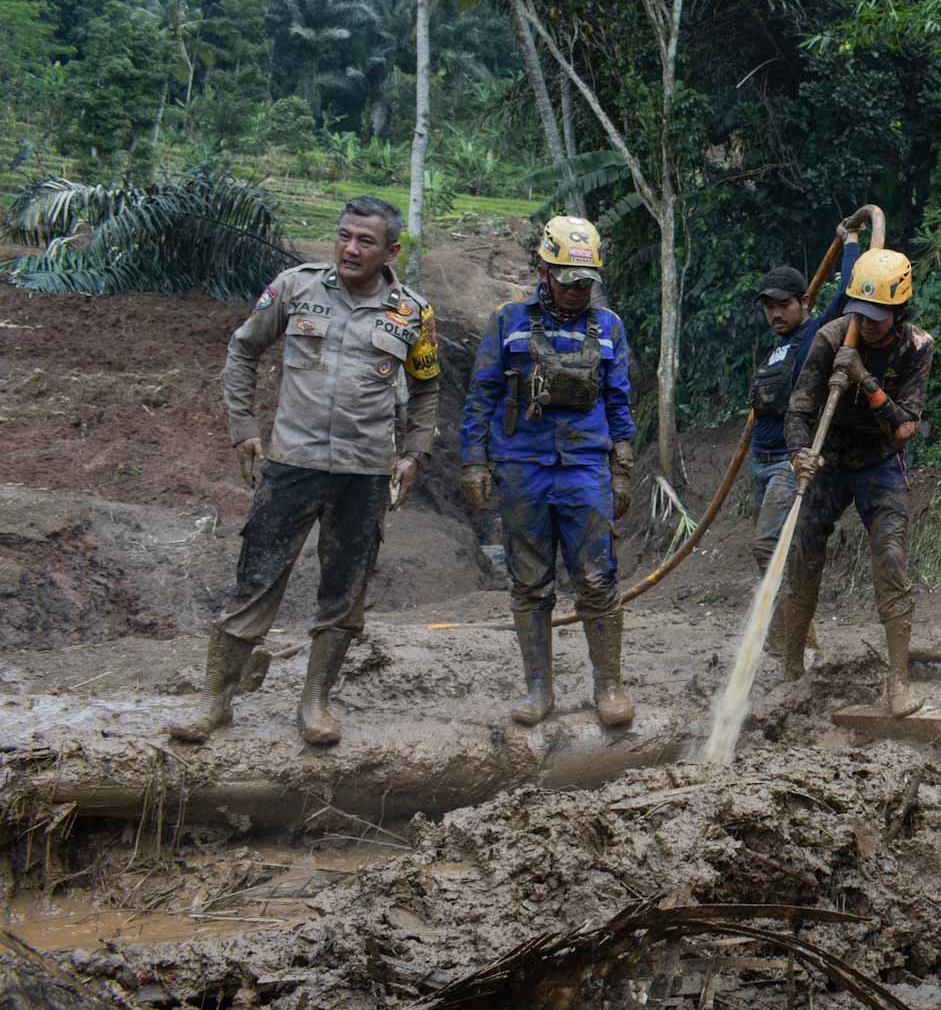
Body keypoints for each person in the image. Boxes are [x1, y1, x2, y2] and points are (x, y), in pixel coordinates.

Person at [169, 196, 441, 747]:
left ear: (391, 250)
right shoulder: (295, 287)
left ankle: (315, 703)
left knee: (344, 592)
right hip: (291, 465)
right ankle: (214, 702)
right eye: (343, 236)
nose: (350, 248)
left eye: (365, 241)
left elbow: (429, 386)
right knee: (255, 581)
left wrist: (415, 453)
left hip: (365, 474)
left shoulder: (413, 312)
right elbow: (243, 350)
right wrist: (244, 428)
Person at [458, 216, 637, 729]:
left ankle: (609, 686)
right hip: (523, 467)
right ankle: (540, 691)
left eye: (587, 282)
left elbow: (620, 401)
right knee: (531, 582)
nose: (579, 291)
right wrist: (475, 459)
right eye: (568, 280)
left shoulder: (610, 328)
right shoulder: (508, 320)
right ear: (543, 270)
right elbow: (482, 394)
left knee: (597, 578)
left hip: (584, 466)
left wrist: (622, 469)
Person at [764, 247, 932, 715]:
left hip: (880, 463)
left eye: (879, 317)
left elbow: (902, 427)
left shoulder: (916, 347)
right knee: (803, 556)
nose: (869, 323)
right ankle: (792, 673)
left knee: (892, 561)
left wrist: (864, 379)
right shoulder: (829, 337)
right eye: (862, 313)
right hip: (828, 460)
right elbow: (799, 408)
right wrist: (801, 452)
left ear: (899, 312)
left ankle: (899, 681)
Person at [746, 222, 857, 572]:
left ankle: (784, 626)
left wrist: (850, 241)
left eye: (783, 305)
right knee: (776, 556)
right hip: (758, 463)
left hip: (788, 461)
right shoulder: (774, 348)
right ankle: (797, 626)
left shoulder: (816, 335)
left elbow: (848, 292)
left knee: (768, 548)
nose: (775, 313)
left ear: (804, 302)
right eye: (768, 307)